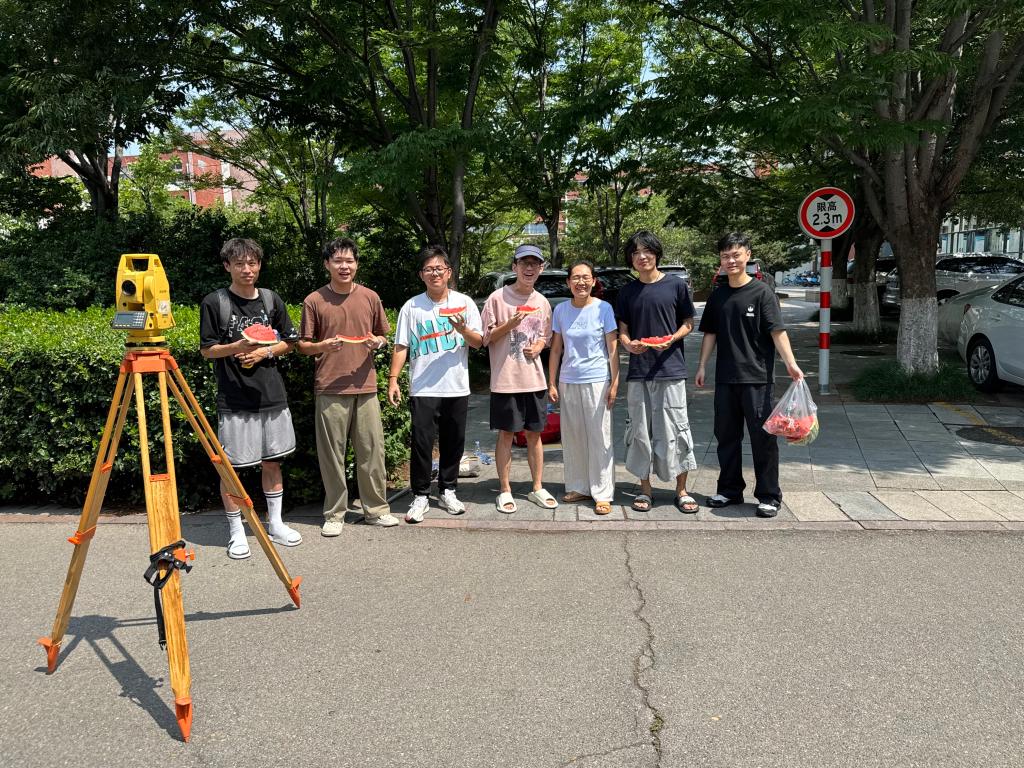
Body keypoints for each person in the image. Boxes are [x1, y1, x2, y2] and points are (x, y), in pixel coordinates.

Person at [199, 238, 302, 559]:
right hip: (234, 399)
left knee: (273, 462)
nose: (247, 269)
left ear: (259, 265)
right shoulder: (215, 302)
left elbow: (290, 341)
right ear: (227, 266)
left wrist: (263, 352)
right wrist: (237, 347)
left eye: (252, 263)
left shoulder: (271, 299)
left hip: (272, 395)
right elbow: (207, 350)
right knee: (231, 469)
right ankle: (236, 531)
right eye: (240, 263)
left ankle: (276, 524)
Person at [695, 232, 804, 518]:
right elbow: (710, 333)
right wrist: (702, 365)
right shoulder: (718, 296)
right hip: (725, 379)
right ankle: (729, 490)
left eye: (736, 255)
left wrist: (791, 364)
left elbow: (777, 331)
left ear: (747, 256)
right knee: (726, 437)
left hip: (757, 379)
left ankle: (769, 495)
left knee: (763, 439)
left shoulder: (762, 293)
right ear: (720, 260)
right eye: (725, 256)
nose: (731, 260)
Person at [298, 237, 400, 534]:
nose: (344, 266)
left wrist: (377, 343)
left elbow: (384, 336)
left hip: (366, 385)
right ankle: (334, 514)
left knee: (372, 451)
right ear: (327, 264)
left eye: (349, 261)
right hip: (329, 386)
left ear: (356, 264)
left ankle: (376, 510)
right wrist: (322, 346)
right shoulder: (314, 300)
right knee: (332, 455)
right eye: (338, 261)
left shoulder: (370, 297)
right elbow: (302, 345)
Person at [387, 245, 483, 523]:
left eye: (439, 268)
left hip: (456, 386)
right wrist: (393, 379)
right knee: (421, 443)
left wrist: (462, 329)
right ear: (421, 275)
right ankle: (420, 494)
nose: (435, 273)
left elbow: (478, 343)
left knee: (454, 442)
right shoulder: (412, 307)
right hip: (423, 387)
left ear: (449, 272)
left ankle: (448, 489)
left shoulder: (465, 303)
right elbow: (401, 345)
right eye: (429, 269)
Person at [615, 230, 699, 514]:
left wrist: (671, 339)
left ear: (656, 254)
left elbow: (688, 323)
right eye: (636, 252)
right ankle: (645, 489)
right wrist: (628, 344)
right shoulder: (627, 291)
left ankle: (682, 490)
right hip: (638, 371)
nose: (642, 256)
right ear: (630, 259)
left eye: (647, 251)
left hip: (671, 369)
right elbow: (623, 329)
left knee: (677, 429)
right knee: (639, 431)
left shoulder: (676, 285)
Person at [481, 243, 556, 513]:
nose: (529, 268)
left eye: (534, 263)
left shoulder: (542, 302)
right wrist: (510, 324)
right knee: (506, 434)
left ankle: (537, 487)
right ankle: (505, 489)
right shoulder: (497, 298)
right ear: (514, 267)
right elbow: (485, 338)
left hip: (534, 379)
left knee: (535, 435)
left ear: (541, 269)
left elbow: (546, 336)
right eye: (524, 263)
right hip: (506, 380)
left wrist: (539, 346)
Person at [547, 260, 619, 514]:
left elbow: (612, 349)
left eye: (586, 277)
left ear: (593, 281)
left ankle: (602, 492)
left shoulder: (604, 308)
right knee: (573, 436)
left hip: (597, 380)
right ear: (568, 282)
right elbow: (556, 349)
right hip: (568, 380)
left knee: (600, 437)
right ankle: (579, 486)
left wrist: (615, 382)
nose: (581, 282)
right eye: (576, 277)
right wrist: (552, 382)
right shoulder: (561, 310)